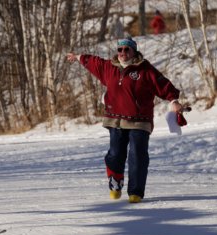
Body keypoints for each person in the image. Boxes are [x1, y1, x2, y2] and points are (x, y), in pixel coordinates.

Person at [67, 37, 183, 203]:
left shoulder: (145, 69)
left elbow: (162, 84)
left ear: (134, 51)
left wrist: (174, 100)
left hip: (140, 120)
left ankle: (135, 192)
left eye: (126, 49)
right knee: (115, 154)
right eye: (120, 50)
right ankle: (115, 181)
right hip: (115, 119)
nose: (122, 53)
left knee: (137, 154)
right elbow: (93, 62)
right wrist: (78, 57)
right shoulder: (109, 67)